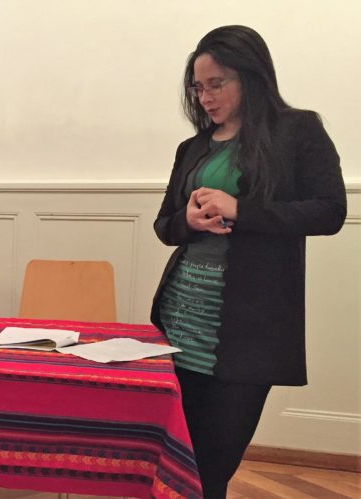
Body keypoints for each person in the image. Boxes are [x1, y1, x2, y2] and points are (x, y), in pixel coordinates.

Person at [151, 25, 346, 498]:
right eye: (198, 87)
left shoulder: (298, 130)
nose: (205, 97)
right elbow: (164, 226)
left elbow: (330, 211)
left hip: (249, 330)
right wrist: (188, 221)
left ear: (251, 75)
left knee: (211, 467)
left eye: (216, 84)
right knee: (177, 462)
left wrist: (242, 209)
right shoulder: (192, 148)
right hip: (181, 322)